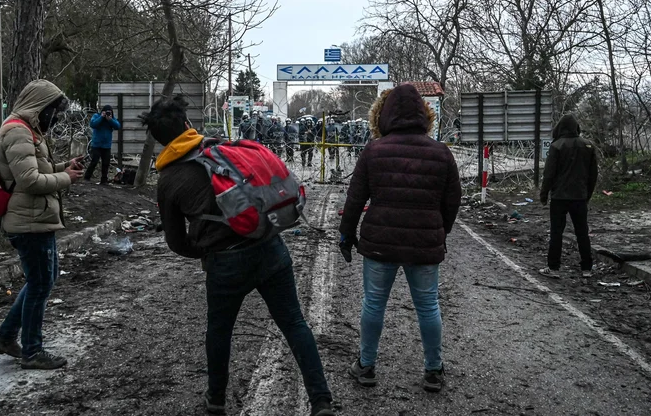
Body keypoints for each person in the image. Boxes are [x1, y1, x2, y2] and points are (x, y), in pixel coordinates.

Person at [144, 95, 335, 416]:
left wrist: (205, 247)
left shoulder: (169, 179)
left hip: (225, 262)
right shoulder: (224, 149)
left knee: (220, 330)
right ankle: (321, 401)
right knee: (294, 323)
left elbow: (176, 243)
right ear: (188, 125)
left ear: (160, 141)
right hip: (270, 246)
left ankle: (216, 401)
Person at [339, 83, 461, 393]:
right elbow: (452, 201)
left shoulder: (374, 150)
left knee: (374, 304)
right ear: (424, 114)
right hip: (424, 243)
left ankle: (366, 366)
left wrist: (346, 234)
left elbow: (355, 198)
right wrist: (439, 231)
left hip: (380, 241)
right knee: (428, 306)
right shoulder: (441, 152)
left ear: (385, 114)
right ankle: (433, 371)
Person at [0, 79, 85, 369]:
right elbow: (29, 181)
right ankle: (32, 351)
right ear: (40, 105)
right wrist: (66, 178)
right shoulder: (18, 131)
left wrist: (62, 168)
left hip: (35, 218)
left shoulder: (24, 129)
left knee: (42, 279)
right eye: (52, 110)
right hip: (28, 222)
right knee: (40, 283)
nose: (53, 117)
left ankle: (6, 338)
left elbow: (33, 170)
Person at [539, 115, 598, 279]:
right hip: (579, 196)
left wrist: (544, 194)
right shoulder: (588, 146)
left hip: (559, 197)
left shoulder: (557, 146)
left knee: (556, 232)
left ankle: (554, 267)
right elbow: (593, 175)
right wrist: (587, 195)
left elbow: (549, 174)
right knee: (582, 232)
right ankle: (587, 267)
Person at [85, 104, 120, 185]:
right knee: (94, 161)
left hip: (106, 145)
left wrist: (110, 120)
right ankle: (87, 177)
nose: (107, 114)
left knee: (106, 163)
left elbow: (118, 126)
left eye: (109, 112)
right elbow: (93, 124)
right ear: (103, 111)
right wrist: (101, 117)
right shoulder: (96, 116)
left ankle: (104, 180)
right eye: (106, 112)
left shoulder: (111, 119)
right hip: (96, 144)